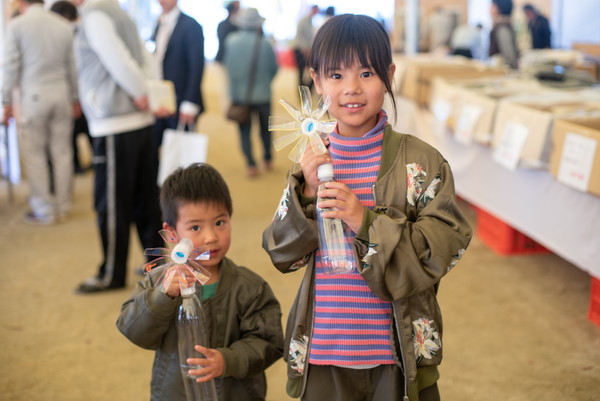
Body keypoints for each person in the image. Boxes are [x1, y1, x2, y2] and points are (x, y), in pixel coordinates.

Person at [262, 14, 472, 401]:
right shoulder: (311, 161)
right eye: (337, 76)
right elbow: (281, 252)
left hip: (395, 354)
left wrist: (366, 221)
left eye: (367, 73)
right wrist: (305, 194)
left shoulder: (421, 162)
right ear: (317, 80)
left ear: (389, 74)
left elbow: (444, 246)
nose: (352, 89)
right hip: (324, 349)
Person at [116, 163, 284, 401]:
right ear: (172, 234)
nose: (211, 237)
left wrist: (228, 360)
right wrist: (163, 297)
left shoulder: (250, 287)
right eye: (195, 227)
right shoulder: (158, 281)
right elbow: (133, 330)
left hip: (234, 393)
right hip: (176, 392)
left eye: (220, 222)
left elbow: (270, 342)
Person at [73, 0, 163, 293]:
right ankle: (157, 261)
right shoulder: (118, 11)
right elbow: (143, 57)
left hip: (115, 122)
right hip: (137, 119)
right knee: (145, 198)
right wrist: (150, 91)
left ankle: (111, 272)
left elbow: (118, 58)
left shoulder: (95, 15)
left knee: (112, 203)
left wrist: (140, 92)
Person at [2, 0, 79, 225]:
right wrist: (75, 97)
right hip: (62, 95)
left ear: (22, 2)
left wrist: (5, 100)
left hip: (33, 97)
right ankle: (63, 205)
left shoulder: (18, 25)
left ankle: (44, 209)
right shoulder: (62, 26)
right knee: (62, 152)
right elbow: (72, 67)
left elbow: (10, 66)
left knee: (35, 155)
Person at [223, 8, 278, 177]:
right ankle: (267, 158)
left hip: (240, 95)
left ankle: (250, 164)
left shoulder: (230, 41)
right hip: (263, 94)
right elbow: (274, 69)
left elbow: (227, 67)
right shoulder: (265, 43)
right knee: (265, 130)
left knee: (244, 131)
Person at [151, 0, 205, 156]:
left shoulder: (191, 25)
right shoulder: (159, 24)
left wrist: (189, 102)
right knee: (155, 149)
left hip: (183, 100)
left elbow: (196, 67)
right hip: (160, 100)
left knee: (181, 154)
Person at [49, 0, 93, 175]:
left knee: (83, 132)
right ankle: (76, 165)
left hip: (80, 93)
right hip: (71, 95)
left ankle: (94, 161)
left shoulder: (79, 31)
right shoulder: (63, 34)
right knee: (71, 136)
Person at [293, 5, 319, 88]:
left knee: (307, 72)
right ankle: (302, 93)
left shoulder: (310, 21)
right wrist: (305, 49)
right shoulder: (305, 20)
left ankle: (306, 91)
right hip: (301, 49)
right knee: (301, 72)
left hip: (305, 49)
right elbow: (301, 37)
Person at [489, 0, 519, 69]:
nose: (490, 8)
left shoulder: (502, 27)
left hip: (502, 69)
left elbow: (510, 55)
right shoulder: (501, 25)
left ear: (500, 8)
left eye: (493, 6)